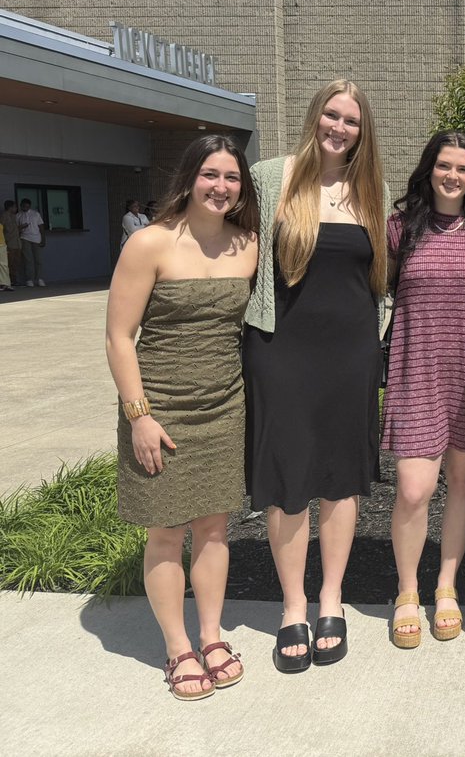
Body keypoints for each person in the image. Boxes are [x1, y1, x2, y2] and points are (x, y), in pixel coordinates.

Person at [104, 133, 259, 700]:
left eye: (232, 177)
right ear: (190, 178)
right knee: (166, 532)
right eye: (211, 175)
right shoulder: (149, 243)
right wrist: (138, 415)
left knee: (215, 529)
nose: (221, 187)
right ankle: (177, 648)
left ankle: (213, 636)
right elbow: (120, 337)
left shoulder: (249, 245)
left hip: (224, 405)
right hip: (160, 409)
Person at [243, 79, 390, 674]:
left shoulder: (370, 189)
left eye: (350, 119)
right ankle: (293, 607)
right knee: (288, 479)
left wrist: (377, 340)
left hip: (351, 355)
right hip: (282, 351)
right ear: (315, 116)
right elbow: (236, 252)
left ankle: (331, 598)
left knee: (340, 479)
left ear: (362, 129)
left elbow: (382, 278)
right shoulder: (271, 178)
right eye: (331, 114)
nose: (339, 127)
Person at [383, 131, 465, 648]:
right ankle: (406, 591)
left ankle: (446, 585)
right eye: (443, 166)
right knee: (414, 489)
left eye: (462, 168)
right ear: (428, 169)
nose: (452, 176)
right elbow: (374, 293)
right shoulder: (399, 230)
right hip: (415, 371)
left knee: (462, 484)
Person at [17, 198, 46, 286]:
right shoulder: (18, 215)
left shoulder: (35, 214)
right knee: (28, 260)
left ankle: (39, 279)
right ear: (21, 206)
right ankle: (29, 279)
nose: (25, 207)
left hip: (36, 238)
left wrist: (43, 239)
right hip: (24, 238)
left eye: (27, 206)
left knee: (38, 260)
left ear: (30, 206)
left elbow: (41, 227)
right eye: (23, 206)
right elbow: (15, 229)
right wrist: (21, 227)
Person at [2, 201, 21, 286]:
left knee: (15, 262)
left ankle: (14, 280)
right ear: (10, 207)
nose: (16, 209)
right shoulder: (4, 216)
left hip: (16, 242)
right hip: (9, 242)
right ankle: (9, 281)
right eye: (14, 207)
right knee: (9, 262)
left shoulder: (14, 216)